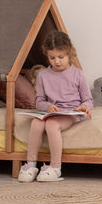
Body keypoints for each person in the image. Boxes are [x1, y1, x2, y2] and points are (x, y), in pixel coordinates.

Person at [18, 31, 93, 182]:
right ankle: (31, 165)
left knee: (51, 125)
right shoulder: (43, 76)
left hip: (71, 113)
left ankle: (55, 167)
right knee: (36, 123)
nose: (57, 61)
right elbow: (38, 101)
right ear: (47, 56)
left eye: (61, 57)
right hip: (51, 112)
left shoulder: (78, 75)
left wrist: (84, 106)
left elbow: (88, 100)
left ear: (69, 53)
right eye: (52, 58)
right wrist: (47, 106)